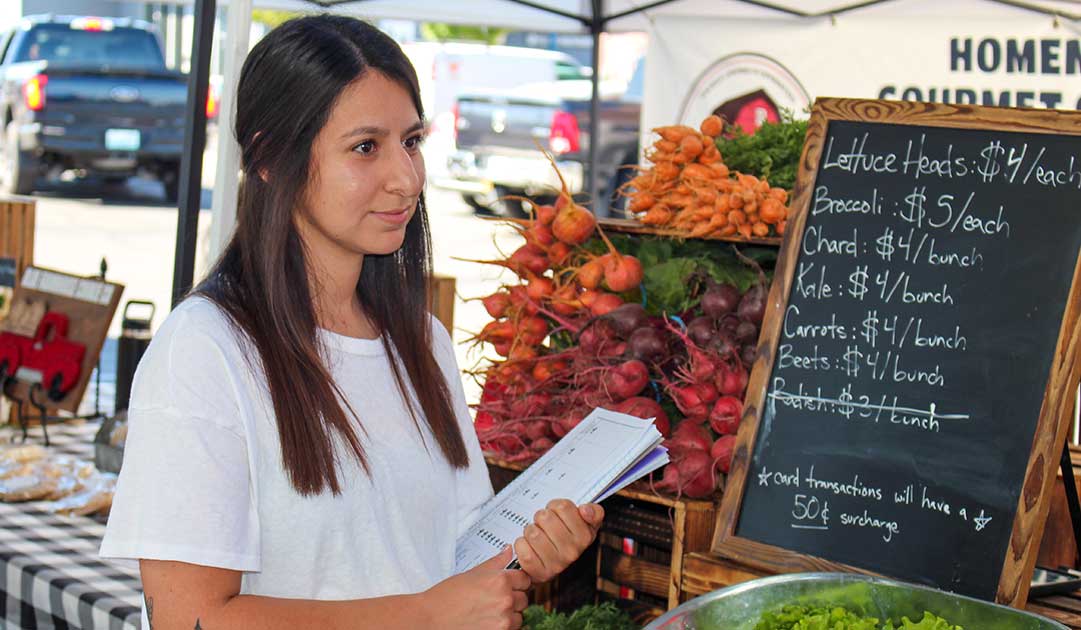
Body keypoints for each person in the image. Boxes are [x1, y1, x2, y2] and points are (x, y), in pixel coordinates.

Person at [100, 14, 603, 630]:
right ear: (268, 156)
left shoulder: (423, 341)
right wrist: (422, 615)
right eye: (366, 147)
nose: (406, 178)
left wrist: (527, 552)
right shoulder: (205, 351)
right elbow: (189, 619)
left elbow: (448, 558)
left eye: (411, 141)